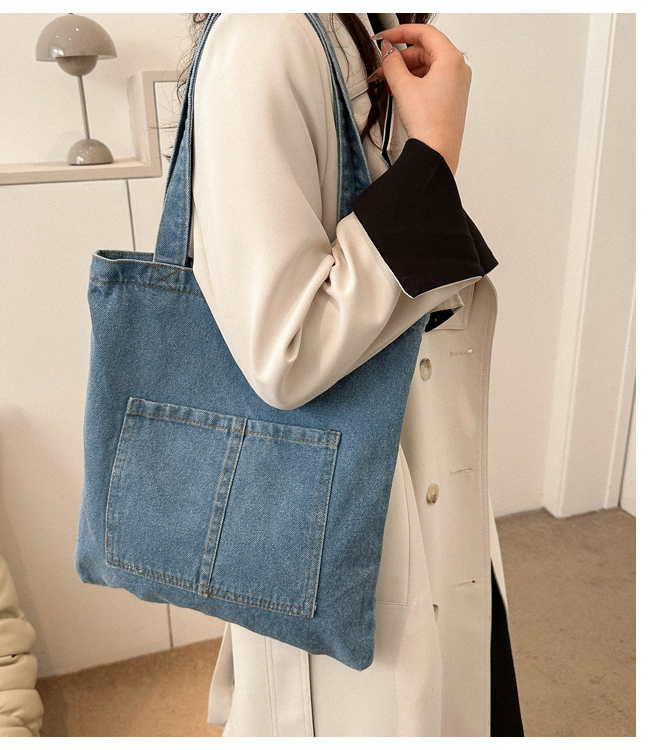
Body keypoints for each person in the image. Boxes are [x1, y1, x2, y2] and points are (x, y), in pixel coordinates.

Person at [181, 12, 524, 737]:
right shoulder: (267, 34)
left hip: (413, 470)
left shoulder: (356, 23)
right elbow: (285, 348)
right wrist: (432, 155)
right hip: (352, 509)